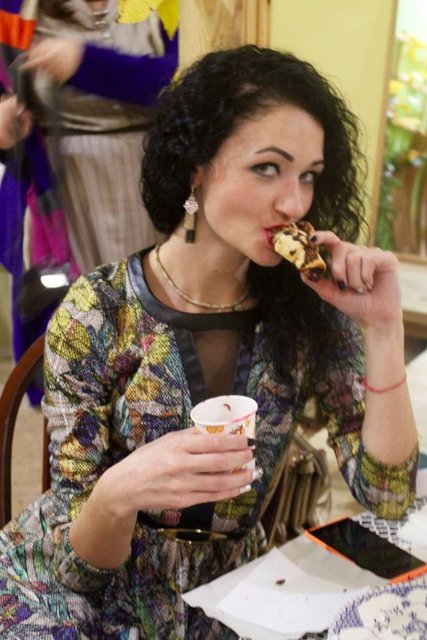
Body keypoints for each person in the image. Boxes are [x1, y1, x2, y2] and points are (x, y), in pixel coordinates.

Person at [0, 45, 419, 639]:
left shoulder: (305, 312)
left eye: (308, 176)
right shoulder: (99, 311)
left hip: (227, 596)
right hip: (79, 591)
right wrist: (119, 492)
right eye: (267, 168)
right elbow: (79, 566)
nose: (294, 203)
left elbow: (389, 497)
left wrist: (382, 327)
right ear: (197, 166)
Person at [0, 0, 178, 391]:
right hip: (59, 200)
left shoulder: (170, 5)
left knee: (156, 345)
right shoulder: (14, 8)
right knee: (73, 351)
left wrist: (84, 62)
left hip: (152, 190)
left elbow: (182, 82)